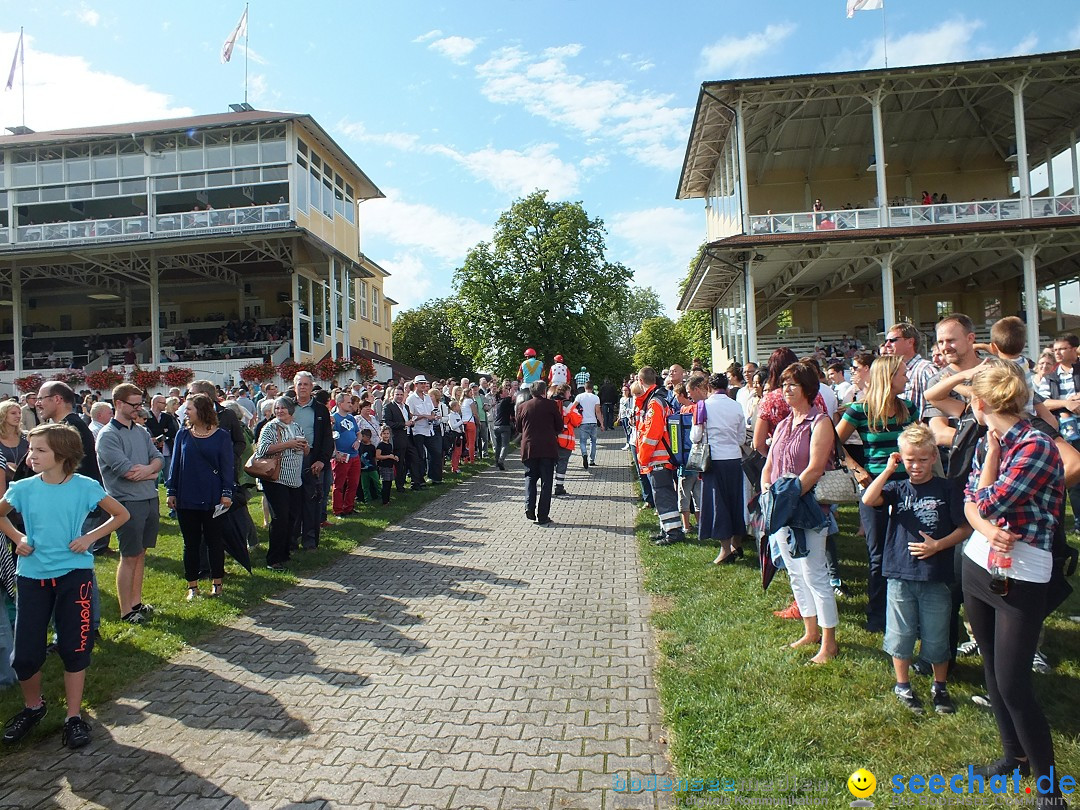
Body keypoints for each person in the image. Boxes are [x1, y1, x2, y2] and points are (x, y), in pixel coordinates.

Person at [961, 361, 1067, 804]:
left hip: (1021, 574)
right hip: (978, 563)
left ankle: (1049, 789)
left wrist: (982, 508)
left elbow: (987, 499)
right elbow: (970, 505)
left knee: (1013, 684)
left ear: (983, 404)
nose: (971, 411)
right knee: (991, 666)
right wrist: (985, 529)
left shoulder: (1035, 446)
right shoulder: (997, 440)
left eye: (971, 403)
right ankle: (1013, 758)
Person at [0, 423, 129, 749]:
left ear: (63, 454)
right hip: (32, 578)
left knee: (75, 649)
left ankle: (73, 717)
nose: (32, 455)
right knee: (26, 656)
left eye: (40, 450)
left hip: (75, 577)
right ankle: (34, 707)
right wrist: (18, 538)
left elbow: (120, 515)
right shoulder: (23, 488)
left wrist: (89, 538)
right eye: (31, 449)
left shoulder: (85, 487)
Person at [861, 424, 970, 714]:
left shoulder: (947, 489)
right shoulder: (897, 488)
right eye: (910, 459)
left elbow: (965, 527)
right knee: (901, 633)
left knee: (936, 635)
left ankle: (940, 685)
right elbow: (869, 499)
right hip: (900, 573)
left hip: (935, 575)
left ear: (934, 456)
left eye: (922, 459)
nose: (916, 466)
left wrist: (939, 545)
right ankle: (902, 684)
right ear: (901, 458)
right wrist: (888, 470)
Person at [760, 362, 838, 664]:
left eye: (792, 383)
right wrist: (767, 487)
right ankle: (809, 630)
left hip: (807, 508)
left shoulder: (820, 422)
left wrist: (787, 498)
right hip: (780, 507)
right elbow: (770, 463)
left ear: (807, 388)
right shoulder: (782, 424)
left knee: (814, 573)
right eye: (783, 384)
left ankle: (829, 642)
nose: (786, 389)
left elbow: (815, 468)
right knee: (794, 571)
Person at [835, 355, 913, 633]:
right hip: (876, 491)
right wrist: (856, 469)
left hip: (908, 489)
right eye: (903, 373)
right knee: (878, 555)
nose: (907, 378)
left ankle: (906, 613)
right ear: (888, 378)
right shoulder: (858, 410)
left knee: (907, 552)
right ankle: (878, 616)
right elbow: (834, 442)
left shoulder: (909, 409)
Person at [95, 383, 163, 625]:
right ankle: (126, 610)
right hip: (126, 502)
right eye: (134, 405)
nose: (138, 409)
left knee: (141, 553)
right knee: (129, 555)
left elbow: (158, 459)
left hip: (148, 498)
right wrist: (151, 473)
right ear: (119, 404)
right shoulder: (108, 436)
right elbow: (126, 471)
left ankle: (136, 602)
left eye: (140, 404)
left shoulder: (141, 432)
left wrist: (149, 470)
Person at [166, 394, 234, 601]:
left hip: (213, 497)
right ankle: (192, 586)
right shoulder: (183, 435)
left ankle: (217, 583)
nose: (185, 412)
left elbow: (226, 467)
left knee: (214, 541)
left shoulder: (221, 436)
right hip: (187, 497)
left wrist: (226, 493)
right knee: (191, 543)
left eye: (189, 409)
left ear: (202, 411)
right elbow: (175, 464)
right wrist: (171, 491)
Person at [690, 373, 747, 564]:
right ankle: (737, 543)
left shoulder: (703, 406)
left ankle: (725, 550)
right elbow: (741, 437)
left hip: (714, 459)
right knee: (735, 501)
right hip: (734, 458)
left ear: (708, 387)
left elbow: (696, 436)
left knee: (718, 503)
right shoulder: (736, 405)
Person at [256, 397, 308, 571]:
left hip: (295, 479)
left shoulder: (296, 427)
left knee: (292, 517)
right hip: (276, 478)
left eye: (283, 408)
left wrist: (304, 446)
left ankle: (285, 553)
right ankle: (273, 559)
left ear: (290, 410)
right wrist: (288, 444)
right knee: (280, 518)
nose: (279, 411)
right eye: (277, 408)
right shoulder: (270, 427)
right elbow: (263, 449)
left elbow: (306, 449)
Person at [636, 367, 684, 545]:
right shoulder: (660, 398)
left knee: (662, 494)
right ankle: (667, 528)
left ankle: (673, 532)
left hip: (658, 458)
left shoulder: (654, 402)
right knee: (664, 494)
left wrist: (643, 456)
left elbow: (652, 433)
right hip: (663, 457)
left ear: (641, 382)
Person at [290, 372, 334, 547]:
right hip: (289, 459)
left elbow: (327, 439)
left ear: (311, 387)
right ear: (294, 387)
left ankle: (310, 541)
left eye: (306, 384)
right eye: (299, 384)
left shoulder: (320, 409)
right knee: (292, 503)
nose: (302, 387)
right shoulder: (286, 406)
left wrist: (322, 460)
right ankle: (291, 541)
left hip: (313, 460)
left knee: (312, 502)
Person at [515, 379, 562, 526]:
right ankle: (543, 516)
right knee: (546, 483)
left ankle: (529, 507)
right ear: (544, 391)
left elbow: (518, 428)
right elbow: (559, 426)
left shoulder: (522, 406)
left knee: (530, 478)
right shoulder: (552, 405)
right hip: (547, 448)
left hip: (529, 447)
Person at [406, 376, 440, 486]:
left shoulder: (427, 397)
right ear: (416, 385)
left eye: (424, 383)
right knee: (420, 456)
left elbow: (431, 411)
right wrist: (424, 416)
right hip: (418, 430)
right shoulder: (411, 398)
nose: (423, 385)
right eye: (421, 383)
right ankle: (420, 479)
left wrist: (433, 416)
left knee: (436, 453)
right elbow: (410, 415)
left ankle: (434, 477)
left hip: (429, 429)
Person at [330, 394, 361, 516]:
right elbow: (331, 438)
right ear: (340, 404)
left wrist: (357, 442)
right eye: (348, 402)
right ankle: (338, 510)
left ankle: (349, 507)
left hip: (354, 455)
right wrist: (336, 453)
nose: (350, 404)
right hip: (341, 456)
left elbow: (358, 433)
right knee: (339, 484)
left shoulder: (351, 418)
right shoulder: (334, 418)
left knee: (353, 483)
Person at [383, 388, 416, 492]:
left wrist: (411, 423)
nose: (399, 396)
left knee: (413, 459)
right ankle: (399, 486)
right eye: (397, 394)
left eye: (401, 394)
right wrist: (403, 424)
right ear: (393, 395)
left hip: (408, 437)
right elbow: (388, 423)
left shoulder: (405, 406)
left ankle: (414, 482)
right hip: (397, 438)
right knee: (399, 462)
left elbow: (407, 421)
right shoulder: (388, 407)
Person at [554, 384, 582, 497]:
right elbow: (577, 420)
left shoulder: (551, 403)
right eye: (569, 392)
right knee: (562, 462)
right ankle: (559, 487)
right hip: (564, 439)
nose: (570, 394)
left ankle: (547, 486)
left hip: (550, 438)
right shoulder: (568, 405)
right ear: (565, 392)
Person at [573, 381, 603, 468]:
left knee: (582, 441)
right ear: (592, 388)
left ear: (584, 388)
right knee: (593, 442)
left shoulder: (580, 396)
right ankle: (592, 460)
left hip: (583, 422)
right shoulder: (596, 397)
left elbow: (573, 407)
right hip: (593, 422)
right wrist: (601, 423)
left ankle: (584, 454)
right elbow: (598, 411)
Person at [492, 382, 515, 471]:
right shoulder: (504, 401)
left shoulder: (498, 403)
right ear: (501, 394)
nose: (507, 392)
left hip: (496, 426)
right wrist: (511, 392)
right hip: (504, 426)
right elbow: (512, 396)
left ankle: (497, 461)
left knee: (498, 445)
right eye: (505, 391)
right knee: (505, 445)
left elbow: (511, 409)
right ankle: (501, 460)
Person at [0, 400, 27, 471]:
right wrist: (5, 465)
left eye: (19, 413)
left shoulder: (26, 437)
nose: (18, 416)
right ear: (3, 415)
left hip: (24, 479)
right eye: (13, 413)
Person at [375, 426, 397, 505]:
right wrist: (388, 456)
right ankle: (384, 501)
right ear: (381, 434)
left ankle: (387, 499)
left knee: (389, 483)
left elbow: (390, 453)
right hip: (384, 466)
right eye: (384, 433)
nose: (386, 435)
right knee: (385, 484)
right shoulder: (380, 445)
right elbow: (378, 456)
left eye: (387, 433)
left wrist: (394, 457)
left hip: (390, 466)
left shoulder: (389, 445)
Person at [459, 385, 479, 465]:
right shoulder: (470, 401)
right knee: (471, 442)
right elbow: (474, 413)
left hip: (464, 422)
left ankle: (466, 458)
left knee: (466, 442)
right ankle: (472, 459)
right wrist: (478, 421)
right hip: (470, 422)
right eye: (470, 392)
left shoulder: (462, 401)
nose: (472, 393)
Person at [617, 384, 634, 450]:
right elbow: (620, 408)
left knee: (629, 430)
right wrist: (619, 416)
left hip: (628, 416)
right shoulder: (622, 399)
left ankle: (629, 443)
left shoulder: (630, 399)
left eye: (625, 390)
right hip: (623, 416)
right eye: (623, 390)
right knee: (625, 431)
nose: (624, 392)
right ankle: (627, 443)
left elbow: (632, 408)